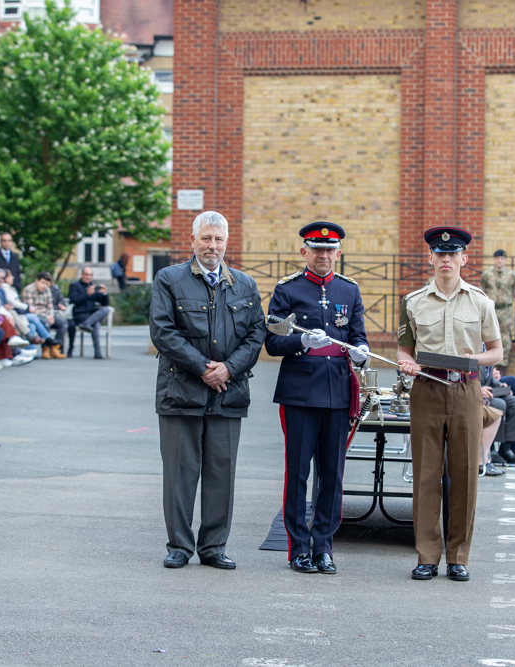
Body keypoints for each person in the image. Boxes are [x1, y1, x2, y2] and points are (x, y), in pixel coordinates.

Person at [150, 211, 265, 571]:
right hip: (180, 392)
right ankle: (179, 546)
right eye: (206, 239)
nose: (212, 246)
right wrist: (204, 368)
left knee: (221, 472)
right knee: (180, 473)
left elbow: (256, 333)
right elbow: (163, 331)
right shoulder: (169, 279)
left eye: (218, 239)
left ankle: (214, 546)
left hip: (228, 392)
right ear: (193, 241)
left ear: (226, 242)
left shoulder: (244, 284)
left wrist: (228, 368)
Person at [397, 226, 503, 582]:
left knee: (464, 476)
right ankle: (427, 555)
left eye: (452, 254)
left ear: (464, 259)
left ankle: (458, 557)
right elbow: (404, 349)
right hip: (427, 388)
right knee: (426, 476)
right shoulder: (413, 302)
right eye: (439, 254)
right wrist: (406, 362)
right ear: (430, 258)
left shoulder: (480, 302)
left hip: (465, 390)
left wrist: (476, 359)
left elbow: (497, 352)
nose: (446, 259)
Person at [266, 221, 369, 575]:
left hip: (338, 391)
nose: (324, 255)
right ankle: (298, 549)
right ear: (304, 252)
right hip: (299, 392)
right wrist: (301, 342)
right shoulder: (288, 290)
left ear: (338, 253)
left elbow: (358, 335)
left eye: (330, 250)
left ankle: (324, 547)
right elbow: (273, 341)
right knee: (297, 473)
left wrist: (361, 352)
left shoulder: (349, 290)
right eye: (317, 249)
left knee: (332, 474)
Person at [480, 363, 515, 466]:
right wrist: (478, 389)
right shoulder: (475, 351)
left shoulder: (488, 353)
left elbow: (488, 376)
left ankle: (506, 449)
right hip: (476, 393)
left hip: (488, 392)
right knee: (499, 404)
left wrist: (500, 386)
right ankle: (491, 451)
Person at [480, 249, 515, 368]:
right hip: (492, 308)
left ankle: (502, 364)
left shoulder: (512, 274)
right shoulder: (487, 274)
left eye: (502, 259)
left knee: (505, 335)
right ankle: (490, 364)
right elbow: (483, 291)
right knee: (488, 333)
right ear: (494, 260)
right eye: (497, 258)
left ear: (505, 260)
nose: (499, 261)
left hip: (505, 309)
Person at [22, 271, 67, 358]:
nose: (44, 286)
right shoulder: (29, 290)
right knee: (45, 323)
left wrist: (51, 315)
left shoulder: (47, 290)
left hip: (47, 314)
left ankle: (55, 348)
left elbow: (50, 306)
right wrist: (47, 317)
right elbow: (31, 309)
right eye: (42, 283)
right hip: (36, 315)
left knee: (63, 323)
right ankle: (45, 348)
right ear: (37, 281)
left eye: (46, 284)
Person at [69, 266, 110, 359]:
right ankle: (98, 352)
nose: (89, 277)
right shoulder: (75, 286)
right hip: (79, 315)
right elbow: (73, 300)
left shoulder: (93, 287)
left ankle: (87, 324)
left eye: (91, 275)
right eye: (87, 274)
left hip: (91, 316)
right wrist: (87, 294)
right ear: (82, 275)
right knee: (96, 323)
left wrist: (105, 293)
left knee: (105, 310)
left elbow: (104, 304)